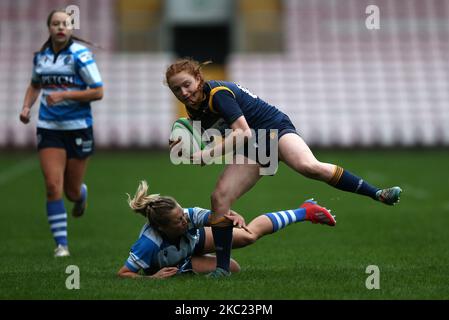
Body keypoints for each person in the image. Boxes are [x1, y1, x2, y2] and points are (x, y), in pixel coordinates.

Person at [165, 58, 402, 277]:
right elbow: (209, 141)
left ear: (199, 78)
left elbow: (242, 132)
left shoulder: (218, 94)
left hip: (272, 128)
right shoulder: (194, 109)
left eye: (187, 84)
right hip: (253, 146)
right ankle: (222, 269)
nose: (183, 92)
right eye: (177, 89)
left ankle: (378, 193)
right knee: (219, 198)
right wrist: (184, 147)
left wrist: (207, 154)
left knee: (308, 166)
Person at [117, 180, 336, 278]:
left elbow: (217, 218)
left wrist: (231, 217)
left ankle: (305, 212)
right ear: (161, 227)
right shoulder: (149, 242)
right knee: (232, 268)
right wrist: (152, 279)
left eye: (183, 214)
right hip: (178, 262)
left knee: (248, 236)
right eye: (177, 221)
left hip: (193, 241)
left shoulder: (189, 216)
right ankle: (191, 267)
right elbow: (124, 273)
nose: (184, 220)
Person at [19, 10, 104, 257]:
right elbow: (35, 84)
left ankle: (81, 195)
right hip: (49, 128)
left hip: (78, 128)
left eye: (65, 24)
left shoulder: (81, 55)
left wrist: (65, 94)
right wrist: (26, 106)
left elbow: (98, 91)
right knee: (52, 185)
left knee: (71, 191)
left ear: (70, 28)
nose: (60, 27)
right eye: (55, 23)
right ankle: (61, 245)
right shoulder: (42, 57)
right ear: (49, 28)